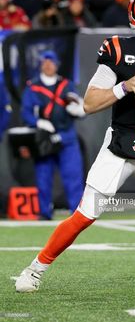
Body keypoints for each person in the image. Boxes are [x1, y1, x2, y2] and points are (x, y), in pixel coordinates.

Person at [14, 0, 135, 293]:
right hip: (119, 146)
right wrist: (124, 87)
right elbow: (89, 103)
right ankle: (34, 269)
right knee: (85, 215)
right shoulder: (119, 50)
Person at [21, 50, 85, 220]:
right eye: (45, 62)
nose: (48, 65)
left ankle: (78, 213)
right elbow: (26, 112)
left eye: (51, 62)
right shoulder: (33, 87)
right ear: (41, 64)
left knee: (73, 176)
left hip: (67, 137)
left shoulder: (67, 85)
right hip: (44, 139)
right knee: (43, 177)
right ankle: (44, 212)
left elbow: (78, 106)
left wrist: (78, 108)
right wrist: (38, 122)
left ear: (56, 64)